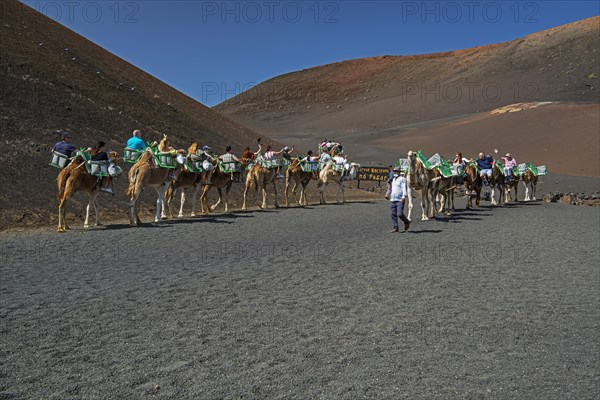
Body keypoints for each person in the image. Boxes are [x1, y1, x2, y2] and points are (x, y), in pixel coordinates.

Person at [389, 166, 410, 233]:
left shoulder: (402, 179)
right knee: (393, 214)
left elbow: (404, 188)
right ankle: (395, 227)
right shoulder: (393, 180)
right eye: (394, 171)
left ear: (399, 172)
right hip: (393, 199)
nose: (395, 172)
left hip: (400, 199)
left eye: (396, 171)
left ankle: (406, 222)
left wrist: (404, 196)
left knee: (399, 214)